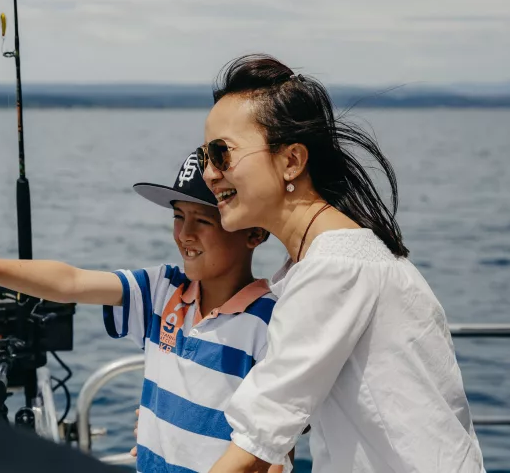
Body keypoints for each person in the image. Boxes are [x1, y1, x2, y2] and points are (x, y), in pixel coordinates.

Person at [0, 152, 293, 473]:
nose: (185, 234)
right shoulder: (162, 291)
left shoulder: (270, 322)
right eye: (177, 217)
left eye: (203, 220)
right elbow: (69, 282)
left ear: (254, 231)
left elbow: (270, 452)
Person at [195, 55, 485, 473]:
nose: (209, 173)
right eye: (205, 156)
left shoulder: (336, 268)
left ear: (292, 160)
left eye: (222, 154)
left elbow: (253, 451)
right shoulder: (336, 257)